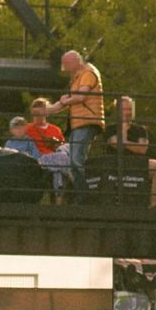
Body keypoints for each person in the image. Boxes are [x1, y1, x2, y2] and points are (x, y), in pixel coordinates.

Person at [45, 50, 104, 204]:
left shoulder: (88, 73)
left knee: (76, 161)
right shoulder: (77, 77)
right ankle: (81, 195)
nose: (65, 69)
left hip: (87, 121)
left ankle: (84, 197)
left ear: (75, 61)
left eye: (66, 65)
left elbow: (80, 97)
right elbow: (69, 100)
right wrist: (49, 109)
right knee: (74, 160)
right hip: (79, 123)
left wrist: (64, 102)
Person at [105, 96, 156, 207]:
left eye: (130, 109)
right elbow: (116, 145)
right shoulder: (110, 129)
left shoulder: (140, 129)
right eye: (125, 109)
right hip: (116, 163)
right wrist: (123, 128)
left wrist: (124, 142)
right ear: (117, 111)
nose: (128, 112)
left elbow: (142, 149)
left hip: (138, 162)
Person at [26, 97, 71, 204]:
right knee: (62, 159)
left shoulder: (55, 130)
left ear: (46, 114)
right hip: (39, 159)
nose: (36, 117)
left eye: (39, 113)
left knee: (58, 172)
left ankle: (58, 202)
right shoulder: (27, 128)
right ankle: (73, 176)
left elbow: (61, 147)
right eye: (34, 114)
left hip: (55, 160)